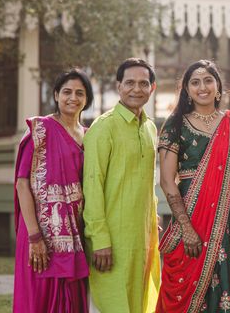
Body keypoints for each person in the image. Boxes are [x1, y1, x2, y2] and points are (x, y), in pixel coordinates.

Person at [156, 60, 230, 313]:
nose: (203, 87)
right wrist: (186, 228)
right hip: (191, 218)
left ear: (218, 86)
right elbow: (167, 180)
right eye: (195, 82)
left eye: (208, 80)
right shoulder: (175, 124)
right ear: (186, 90)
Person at [82, 58, 160, 313]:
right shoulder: (103, 128)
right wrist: (100, 239)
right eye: (129, 83)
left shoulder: (150, 128)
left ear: (152, 88)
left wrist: (153, 221)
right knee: (109, 304)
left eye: (143, 83)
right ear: (118, 86)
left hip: (142, 238)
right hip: (111, 240)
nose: (136, 89)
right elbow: (92, 187)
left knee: (139, 302)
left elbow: (147, 183)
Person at [13, 68, 93, 313]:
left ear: (87, 99)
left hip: (74, 232)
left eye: (80, 93)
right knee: (40, 299)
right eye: (67, 91)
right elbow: (22, 183)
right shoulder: (40, 129)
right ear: (56, 95)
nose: (73, 97)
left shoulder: (91, 136)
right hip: (40, 230)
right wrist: (35, 236)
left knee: (73, 299)